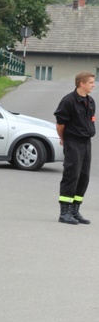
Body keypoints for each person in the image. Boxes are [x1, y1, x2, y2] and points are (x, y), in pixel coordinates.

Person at [54, 71, 96, 225]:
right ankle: (64, 213)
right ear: (81, 84)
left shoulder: (90, 101)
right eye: (91, 82)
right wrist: (64, 139)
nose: (93, 85)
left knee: (83, 176)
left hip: (86, 143)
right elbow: (60, 125)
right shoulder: (68, 101)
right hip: (73, 142)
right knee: (72, 175)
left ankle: (75, 211)